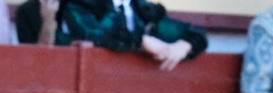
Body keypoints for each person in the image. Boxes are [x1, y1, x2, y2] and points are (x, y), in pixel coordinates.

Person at [57, 0, 208, 69]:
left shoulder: (140, 8)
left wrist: (185, 45)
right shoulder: (79, 3)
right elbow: (92, 34)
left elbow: (196, 33)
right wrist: (141, 42)